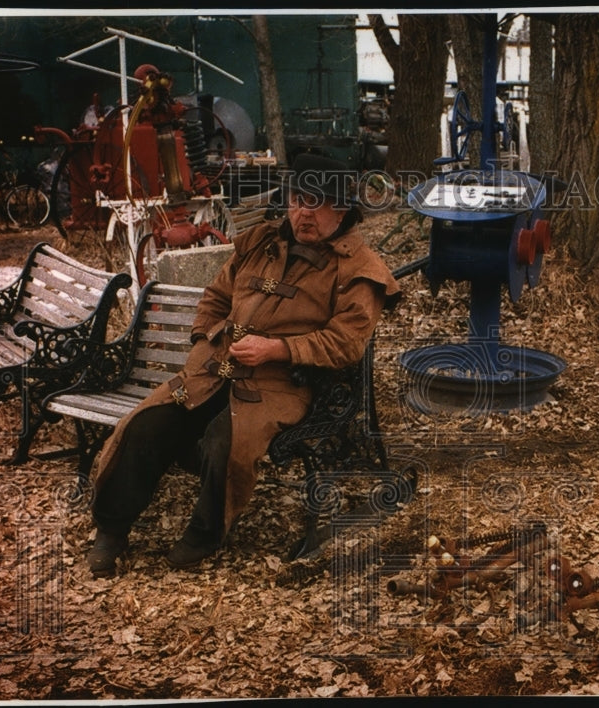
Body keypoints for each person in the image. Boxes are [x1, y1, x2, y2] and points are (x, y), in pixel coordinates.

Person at [86, 153, 401, 576]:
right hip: (213, 372)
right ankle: (111, 529)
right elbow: (215, 297)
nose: (302, 213)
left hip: (280, 385)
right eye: (296, 200)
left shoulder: (362, 271)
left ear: (341, 208)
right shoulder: (260, 241)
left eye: (315, 202)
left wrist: (277, 350)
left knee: (224, 441)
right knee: (147, 423)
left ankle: (205, 533)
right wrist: (203, 342)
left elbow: (345, 344)